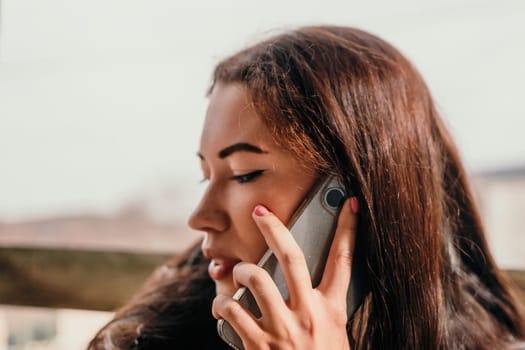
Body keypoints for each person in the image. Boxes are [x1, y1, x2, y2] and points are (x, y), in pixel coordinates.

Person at [88, 25, 525, 349]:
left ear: (349, 198)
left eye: (244, 174)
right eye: (207, 175)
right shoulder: (148, 339)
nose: (200, 216)